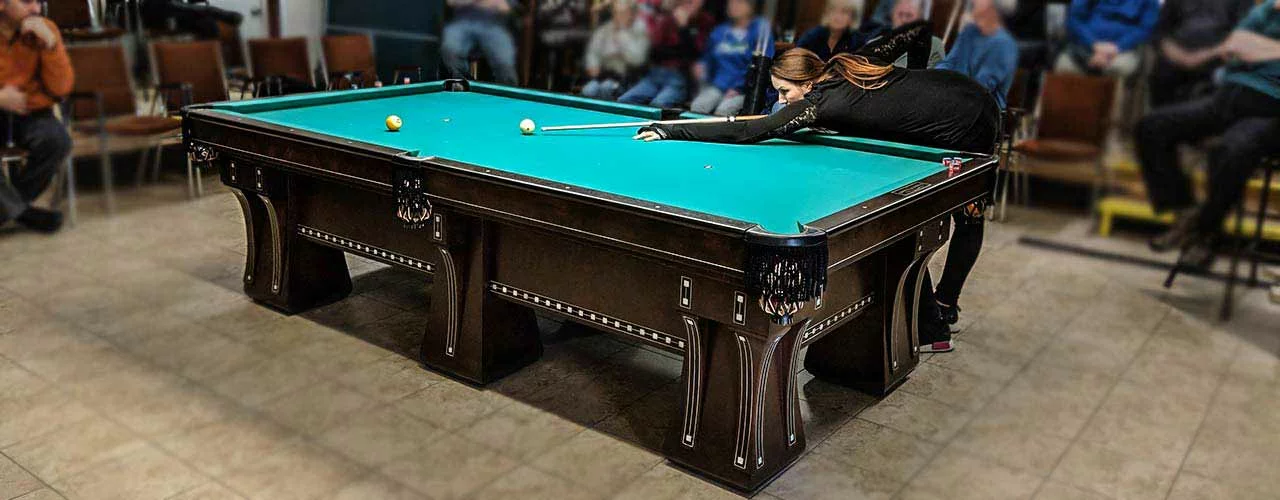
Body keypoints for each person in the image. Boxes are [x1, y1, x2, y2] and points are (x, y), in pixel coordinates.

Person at [635, 22, 1001, 353]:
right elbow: (919, 31)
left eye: (784, 92)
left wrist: (673, 129)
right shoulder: (849, 61)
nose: (782, 101)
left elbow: (751, 131)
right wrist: (916, 82)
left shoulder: (818, 103)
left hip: (964, 126)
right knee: (953, 223)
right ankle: (935, 317)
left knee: (968, 212)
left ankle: (943, 308)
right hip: (966, 91)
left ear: (807, 84)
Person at [1136, 0, 1280, 270]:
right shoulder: (1267, 10)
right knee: (1152, 127)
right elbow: (1235, 44)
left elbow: (1245, 46)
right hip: (1226, 97)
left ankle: (1205, 232)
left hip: (1270, 111)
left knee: (1232, 151)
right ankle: (1184, 211)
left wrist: (1258, 48)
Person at [916, 0, 1015, 332]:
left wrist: (946, 88)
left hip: (980, 128)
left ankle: (948, 300)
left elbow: (982, 86)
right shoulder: (970, 33)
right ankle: (924, 301)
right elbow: (950, 65)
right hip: (950, 122)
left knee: (970, 217)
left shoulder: (1004, 45)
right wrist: (929, 83)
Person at [0, 0, 73, 233]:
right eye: (26, 1)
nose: (36, 9)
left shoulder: (45, 29)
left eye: (38, 2)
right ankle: (24, 213)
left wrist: (50, 46)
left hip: (30, 112)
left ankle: (10, 208)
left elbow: (61, 89)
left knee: (57, 141)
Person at [1149, 0, 1255, 107]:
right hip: (1176, 56)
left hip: (1217, 58)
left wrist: (1204, 56)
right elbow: (1160, 30)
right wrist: (1174, 52)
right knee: (1161, 77)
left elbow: (1244, 36)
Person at [618, 0, 715, 108]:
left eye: (692, 2)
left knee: (657, 105)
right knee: (624, 101)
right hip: (656, 74)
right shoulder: (668, 19)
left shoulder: (706, 21)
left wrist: (683, 27)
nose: (688, 4)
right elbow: (654, 51)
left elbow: (696, 54)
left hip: (679, 77)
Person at [689, 0, 773, 116]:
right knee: (698, 106)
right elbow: (707, 58)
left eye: (739, 2)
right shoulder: (719, 31)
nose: (733, 6)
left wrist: (739, 88)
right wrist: (701, 66)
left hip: (744, 89)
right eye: (731, 3)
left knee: (723, 111)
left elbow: (761, 66)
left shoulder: (760, 29)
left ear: (751, 7)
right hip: (718, 85)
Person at [1054, 0, 1160, 78]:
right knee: (1065, 66)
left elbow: (1145, 28)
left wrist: (1117, 47)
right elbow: (1074, 20)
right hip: (1086, 45)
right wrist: (1094, 44)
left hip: (1123, 50)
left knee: (1118, 68)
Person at [581, 0, 650, 100]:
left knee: (607, 87)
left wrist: (623, 40)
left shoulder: (639, 30)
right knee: (588, 90)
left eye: (623, 13)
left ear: (631, 14)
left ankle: (605, 114)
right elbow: (593, 52)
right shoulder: (604, 29)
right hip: (603, 75)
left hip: (627, 79)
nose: (619, 17)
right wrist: (593, 65)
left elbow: (638, 60)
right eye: (616, 13)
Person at [442, 0, 519, 86]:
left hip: (495, 25)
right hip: (462, 22)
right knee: (449, 47)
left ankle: (507, 92)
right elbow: (451, 2)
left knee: (504, 61)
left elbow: (504, 8)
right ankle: (464, 86)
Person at [796, 0, 872, 62]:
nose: (837, 16)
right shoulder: (812, 36)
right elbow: (796, 60)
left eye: (844, 12)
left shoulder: (858, 42)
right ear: (827, 12)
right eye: (833, 9)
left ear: (853, 17)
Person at [882, 0, 946, 69]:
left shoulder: (934, 45)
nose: (904, 20)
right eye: (900, 14)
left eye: (909, 15)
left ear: (920, 18)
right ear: (892, 15)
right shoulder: (879, 41)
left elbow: (934, 77)